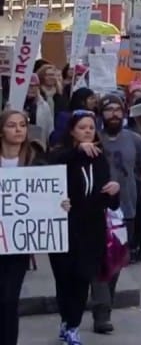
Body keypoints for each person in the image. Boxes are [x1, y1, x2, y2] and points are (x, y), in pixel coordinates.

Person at [90, 96, 141, 334]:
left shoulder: (135, 139)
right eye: (109, 110)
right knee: (98, 260)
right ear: (101, 113)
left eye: (118, 109)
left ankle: (104, 305)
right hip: (96, 210)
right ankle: (101, 312)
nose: (114, 114)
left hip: (126, 209)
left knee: (116, 262)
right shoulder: (92, 138)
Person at [47, 112, 119, 345]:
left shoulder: (99, 157)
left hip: (92, 227)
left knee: (82, 277)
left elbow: (108, 198)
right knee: (64, 278)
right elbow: (53, 170)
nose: (88, 131)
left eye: (91, 127)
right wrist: (77, 152)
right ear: (72, 131)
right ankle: (66, 319)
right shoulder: (62, 155)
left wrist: (114, 190)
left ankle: (73, 325)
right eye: (82, 127)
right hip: (64, 226)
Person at [0, 111, 68, 345]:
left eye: (22, 125)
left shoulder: (36, 158)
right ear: (1, 130)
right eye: (11, 125)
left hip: (18, 244)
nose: (18, 130)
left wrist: (60, 204)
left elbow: (48, 193)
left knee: (9, 300)